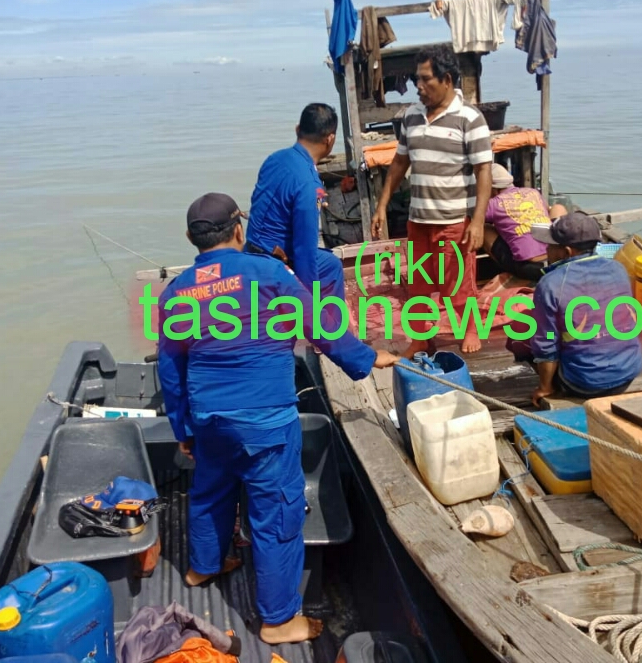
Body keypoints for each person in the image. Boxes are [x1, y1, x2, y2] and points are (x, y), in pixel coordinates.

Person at [157, 193, 398, 644]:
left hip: (209, 419)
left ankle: (201, 568)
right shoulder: (270, 273)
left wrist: (183, 429)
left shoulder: (174, 292)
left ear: (191, 238)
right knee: (276, 515)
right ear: (238, 230)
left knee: (209, 491)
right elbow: (321, 328)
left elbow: (170, 370)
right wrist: (368, 359)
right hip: (264, 422)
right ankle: (278, 620)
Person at [370, 46, 494, 355]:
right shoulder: (411, 116)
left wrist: (477, 221)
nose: (419, 87)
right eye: (416, 80)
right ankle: (421, 337)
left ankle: (468, 329)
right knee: (421, 285)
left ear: (447, 79)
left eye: (426, 80)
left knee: (458, 285)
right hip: (419, 222)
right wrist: (382, 205)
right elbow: (400, 163)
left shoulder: (470, 118)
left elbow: (484, 171)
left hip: (454, 221)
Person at [528, 212, 642, 407]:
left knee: (525, 334)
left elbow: (547, 343)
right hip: (629, 371)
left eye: (550, 245)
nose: (546, 249)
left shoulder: (550, 284)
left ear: (566, 252)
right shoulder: (618, 268)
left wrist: (545, 388)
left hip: (585, 384)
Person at [246, 103, 346, 301]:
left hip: (250, 249)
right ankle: (329, 329)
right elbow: (304, 251)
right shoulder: (310, 184)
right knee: (332, 266)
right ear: (330, 139)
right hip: (275, 261)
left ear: (297, 129)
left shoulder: (274, 159)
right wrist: (309, 300)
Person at [482, 162, 552, 283]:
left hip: (529, 269)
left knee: (483, 229)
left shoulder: (493, 204)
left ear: (493, 189)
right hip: (552, 261)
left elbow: (473, 220)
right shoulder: (533, 192)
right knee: (557, 208)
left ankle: (507, 271)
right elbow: (546, 209)